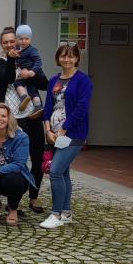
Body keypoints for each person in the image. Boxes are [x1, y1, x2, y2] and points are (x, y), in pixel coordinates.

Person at [0, 26, 48, 213]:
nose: (10, 45)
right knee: (12, 159)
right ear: (1, 44)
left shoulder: (29, 59)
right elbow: (6, 79)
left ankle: (34, 196)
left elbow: (44, 84)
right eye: (5, 42)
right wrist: (12, 59)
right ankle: (12, 202)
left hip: (32, 115)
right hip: (10, 118)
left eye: (12, 41)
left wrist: (32, 72)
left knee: (37, 155)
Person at [40, 43, 92, 229]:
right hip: (53, 133)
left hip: (73, 133)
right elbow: (47, 108)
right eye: (63, 56)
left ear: (77, 58)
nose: (67, 59)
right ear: (58, 59)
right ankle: (66, 212)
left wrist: (64, 129)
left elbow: (82, 109)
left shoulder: (83, 80)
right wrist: (48, 131)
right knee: (63, 173)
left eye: (71, 56)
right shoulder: (54, 80)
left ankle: (55, 213)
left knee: (55, 172)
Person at [13, 25, 44, 112]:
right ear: (17, 39)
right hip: (26, 75)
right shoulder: (18, 50)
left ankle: (23, 97)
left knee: (17, 83)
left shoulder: (32, 50)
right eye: (21, 39)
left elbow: (39, 61)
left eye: (26, 39)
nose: (24, 41)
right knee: (32, 89)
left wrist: (33, 71)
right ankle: (38, 106)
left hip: (31, 73)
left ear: (30, 39)